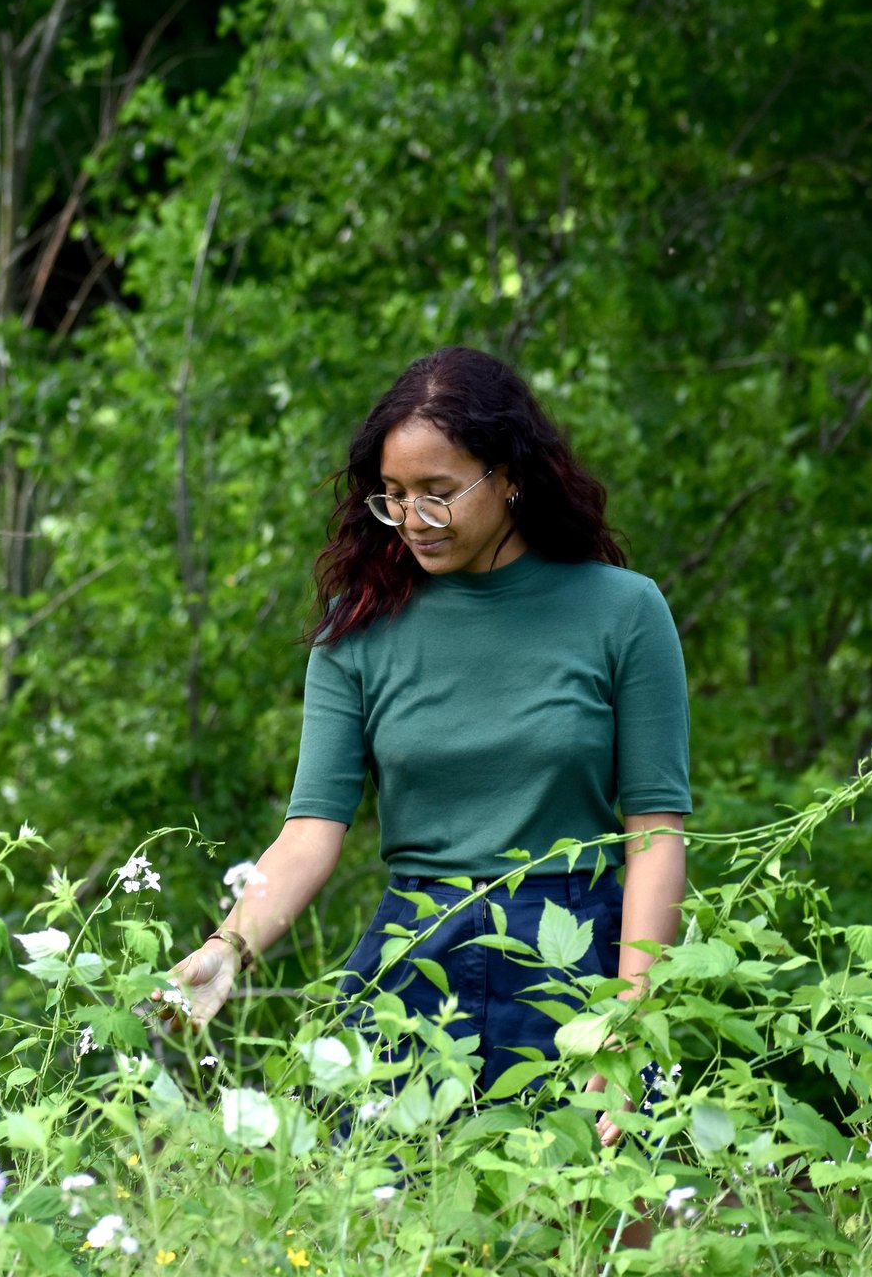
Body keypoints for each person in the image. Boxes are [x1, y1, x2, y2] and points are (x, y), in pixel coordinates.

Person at [164, 346, 689, 1147]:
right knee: (388, 1218)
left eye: (439, 494)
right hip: (417, 952)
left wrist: (631, 1015)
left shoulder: (622, 611)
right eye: (394, 496)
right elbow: (311, 831)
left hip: (576, 952)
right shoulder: (357, 628)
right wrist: (229, 944)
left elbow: (654, 832)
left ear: (509, 476)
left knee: (600, 1224)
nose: (414, 519)